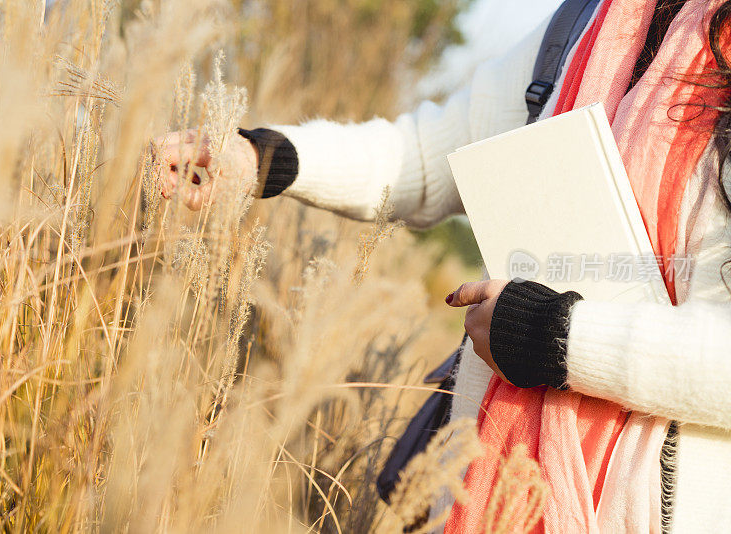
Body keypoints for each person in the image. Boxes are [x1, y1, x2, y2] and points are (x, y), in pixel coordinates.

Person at [156, 0, 731, 531]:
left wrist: (558, 337)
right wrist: (261, 158)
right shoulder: (594, 19)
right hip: (488, 492)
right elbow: (430, 154)